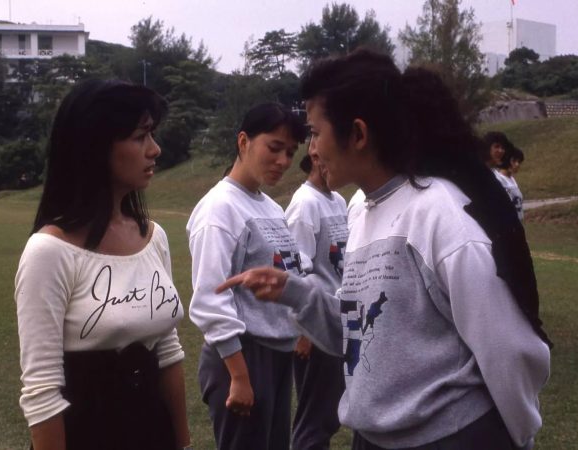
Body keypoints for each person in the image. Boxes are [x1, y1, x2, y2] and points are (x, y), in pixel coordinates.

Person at [217, 49, 552, 450]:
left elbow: (508, 348)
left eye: (315, 133)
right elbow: (359, 332)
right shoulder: (364, 211)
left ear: (358, 134)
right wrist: (293, 290)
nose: (313, 151)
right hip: (373, 439)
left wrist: (516, 437)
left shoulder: (441, 216)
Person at [14, 79, 191, 450]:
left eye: (153, 134)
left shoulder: (153, 237)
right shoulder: (49, 251)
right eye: (141, 136)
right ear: (95, 146)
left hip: (153, 434)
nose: (155, 150)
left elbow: (168, 350)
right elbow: (42, 392)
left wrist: (183, 442)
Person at [187, 102, 307, 450]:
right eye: (274, 148)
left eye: (289, 152)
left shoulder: (270, 207)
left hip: (277, 353)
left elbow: (291, 273)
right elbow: (211, 298)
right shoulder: (220, 208)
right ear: (243, 142)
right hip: (242, 356)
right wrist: (239, 376)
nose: (283, 161)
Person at [285, 150, 348, 450]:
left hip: (337, 318)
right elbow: (296, 270)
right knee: (314, 418)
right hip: (315, 326)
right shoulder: (304, 205)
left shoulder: (337, 200)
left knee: (330, 413)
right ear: (318, 160)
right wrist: (304, 331)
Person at [496, 146, 526, 221]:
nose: (517, 164)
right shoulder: (498, 180)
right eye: (514, 161)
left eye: (519, 162)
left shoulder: (512, 179)